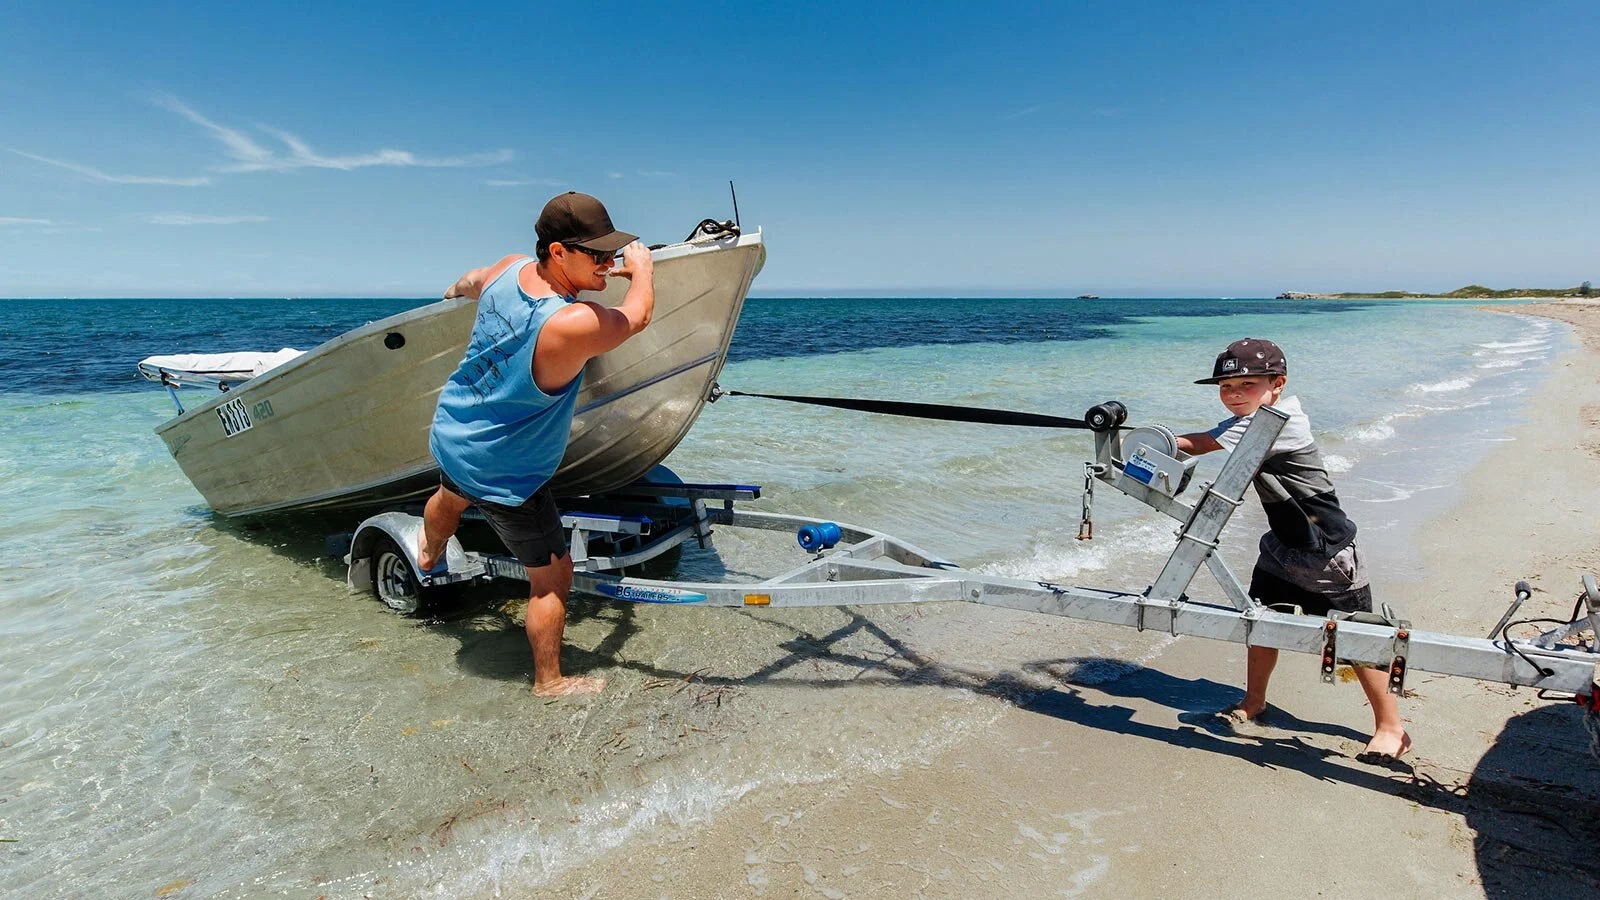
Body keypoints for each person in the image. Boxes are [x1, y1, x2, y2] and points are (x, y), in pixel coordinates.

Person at [418, 191, 655, 697]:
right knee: (552, 577)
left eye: (615, 253)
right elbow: (636, 319)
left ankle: (429, 551)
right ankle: (549, 682)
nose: (609, 263)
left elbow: (470, 280)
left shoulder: (508, 269)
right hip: (508, 472)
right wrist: (644, 270)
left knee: (452, 495)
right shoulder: (569, 323)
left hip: (456, 434)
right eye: (598, 255)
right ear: (558, 254)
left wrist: (450, 294)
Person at [1175, 338, 1410, 764]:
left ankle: (1392, 728)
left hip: (1327, 554)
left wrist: (1153, 444)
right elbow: (1203, 440)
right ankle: (1255, 700)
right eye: (1226, 386)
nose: (1234, 393)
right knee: (1262, 625)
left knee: (1357, 642)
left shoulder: (1278, 422)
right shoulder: (1253, 420)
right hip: (1282, 548)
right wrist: (1139, 439)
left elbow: (1205, 448)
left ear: (1277, 383)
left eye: (1247, 383)